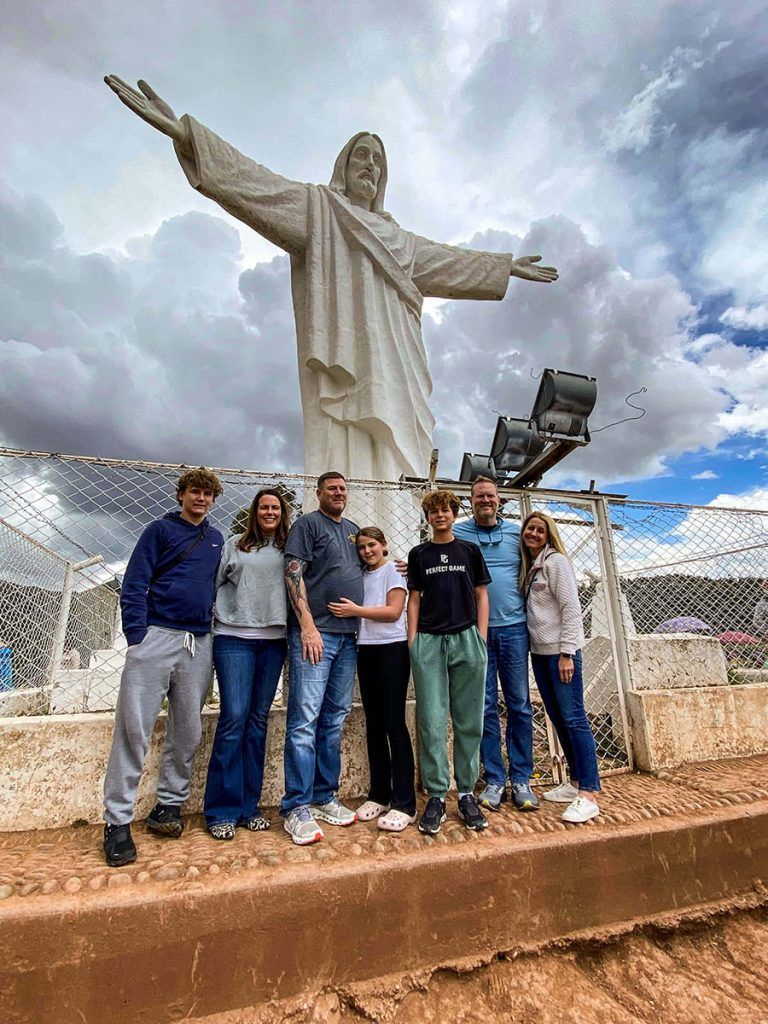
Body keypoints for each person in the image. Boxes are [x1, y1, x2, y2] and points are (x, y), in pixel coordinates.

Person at [104, 76, 558, 481]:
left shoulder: (403, 241)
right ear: (343, 165)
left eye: (378, 161)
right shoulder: (319, 209)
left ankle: (397, 536)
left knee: (401, 440)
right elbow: (256, 186)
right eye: (362, 155)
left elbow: (450, 261)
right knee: (345, 434)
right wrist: (187, 135)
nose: (371, 166)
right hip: (349, 353)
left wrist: (504, 267)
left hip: (396, 358)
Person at [102, 467, 225, 867]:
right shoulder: (159, 531)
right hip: (156, 636)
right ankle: (116, 822)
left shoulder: (216, 538)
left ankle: (168, 806)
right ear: (181, 495)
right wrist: (137, 635)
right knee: (134, 728)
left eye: (208, 494)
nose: (201, 499)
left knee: (187, 730)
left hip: (198, 643)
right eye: (194, 491)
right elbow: (135, 581)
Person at [280, 472, 363, 845]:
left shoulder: (353, 529)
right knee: (304, 720)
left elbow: (368, 565)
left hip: (349, 638)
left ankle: (323, 796)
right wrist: (308, 626)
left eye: (343, 488)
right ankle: (296, 805)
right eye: (332, 488)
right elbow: (293, 572)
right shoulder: (307, 525)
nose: (339, 493)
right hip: (316, 636)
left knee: (334, 719)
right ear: (318, 493)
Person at [203, 488, 290, 840]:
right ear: (254, 512)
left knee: (257, 722)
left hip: (273, 642)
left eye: (276, 508)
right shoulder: (234, 544)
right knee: (234, 717)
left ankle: (247, 807)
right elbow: (214, 584)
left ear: (283, 514)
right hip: (234, 639)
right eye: (264, 507)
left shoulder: (290, 548)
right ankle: (220, 810)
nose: (270, 512)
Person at [407, 489, 491, 834]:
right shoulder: (419, 554)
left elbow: (482, 593)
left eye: (446, 510)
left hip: (466, 639)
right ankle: (438, 795)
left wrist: (480, 637)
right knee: (431, 719)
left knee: (469, 718)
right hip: (429, 641)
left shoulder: (469, 551)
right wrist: (412, 640)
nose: (440, 516)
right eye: (434, 511)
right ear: (428, 517)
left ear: (454, 514)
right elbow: (414, 597)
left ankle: (467, 792)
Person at [453, 477, 537, 813]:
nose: (485, 500)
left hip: (515, 628)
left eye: (490, 496)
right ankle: (494, 778)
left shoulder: (518, 533)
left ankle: (522, 778)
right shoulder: (459, 533)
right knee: (484, 706)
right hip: (477, 631)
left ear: (499, 500)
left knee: (519, 704)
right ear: (470, 501)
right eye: (478, 496)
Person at [329, 527, 416, 832]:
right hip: (366, 650)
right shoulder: (360, 577)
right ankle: (380, 793)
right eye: (362, 547)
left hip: (392, 649)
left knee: (394, 723)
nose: (367, 551)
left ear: (384, 546)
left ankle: (405, 803)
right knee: (374, 725)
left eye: (372, 545)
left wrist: (355, 611)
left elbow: (393, 611)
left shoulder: (394, 570)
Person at [520, 511, 601, 823]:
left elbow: (570, 607)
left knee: (574, 717)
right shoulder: (532, 568)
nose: (534, 534)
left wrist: (567, 653)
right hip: (541, 654)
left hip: (560, 655)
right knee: (558, 717)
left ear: (549, 535)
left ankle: (589, 792)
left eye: (541, 530)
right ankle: (576, 782)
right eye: (530, 529)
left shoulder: (556, 562)